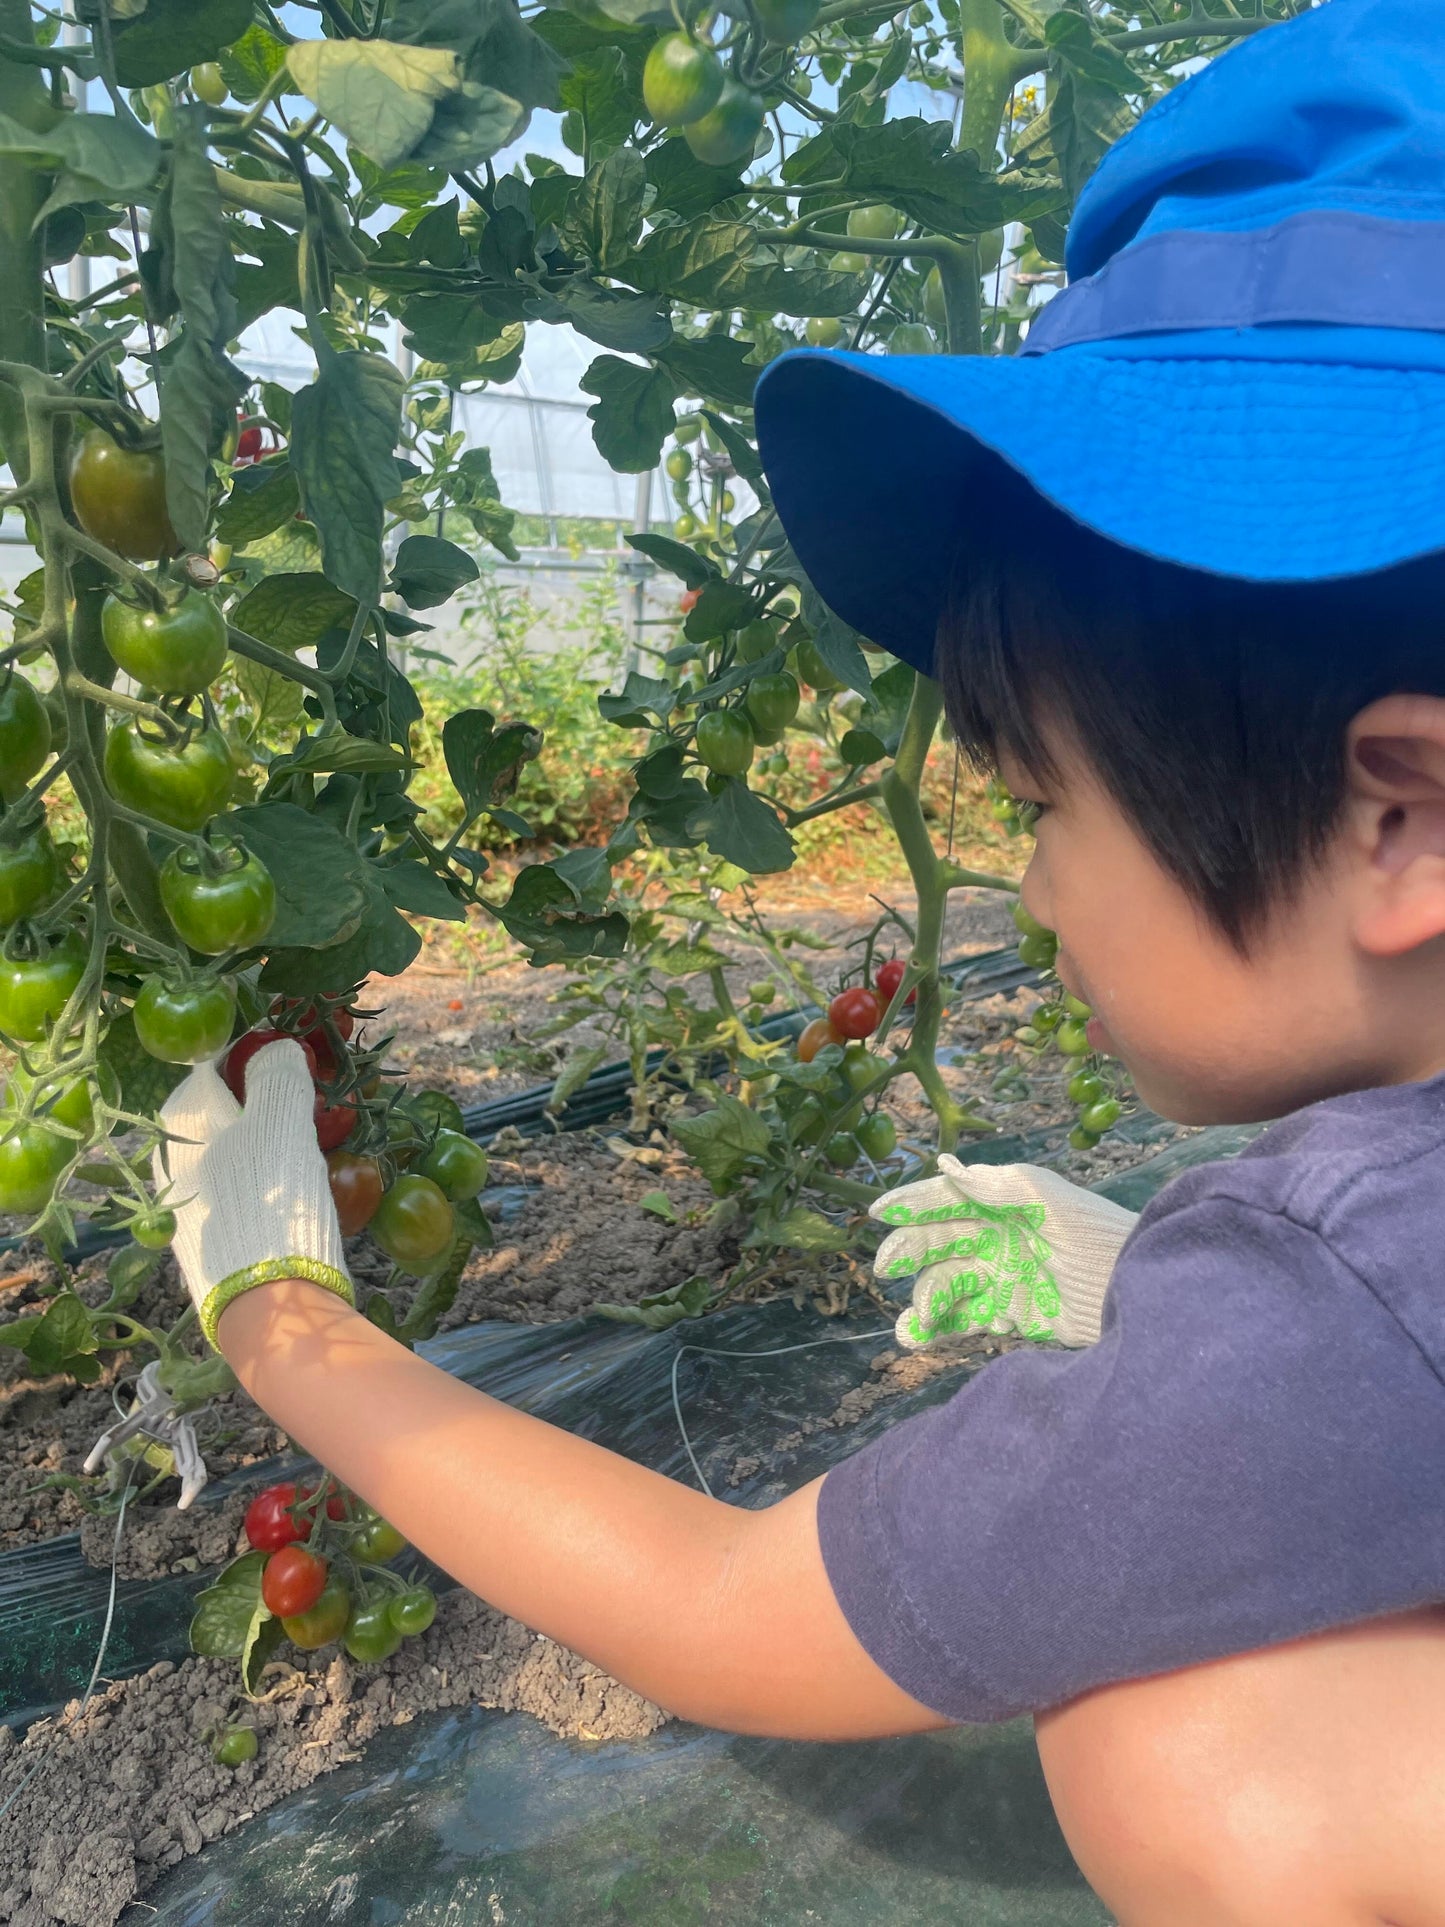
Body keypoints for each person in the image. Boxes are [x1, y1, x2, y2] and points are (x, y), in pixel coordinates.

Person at [158, 1, 1445, 1918]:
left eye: (1035, 805)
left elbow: (722, 1609)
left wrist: (281, 1317)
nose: (1029, 899)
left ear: (1398, 820)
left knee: (1195, 1749)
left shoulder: (1346, 1288)